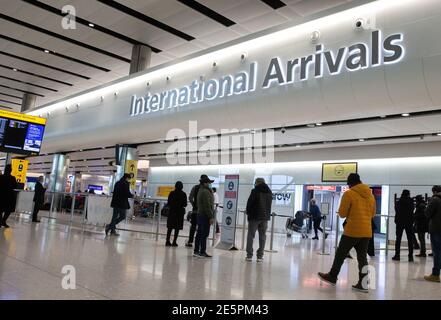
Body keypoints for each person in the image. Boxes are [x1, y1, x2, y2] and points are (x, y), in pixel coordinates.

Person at [318, 173, 376, 292]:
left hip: (352, 230)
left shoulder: (349, 193)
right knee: (362, 257)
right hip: (366, 231)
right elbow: (373, 214)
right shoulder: (370, 195)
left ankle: (333, 276)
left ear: (350, 184)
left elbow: (342, 213)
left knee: (341, 253)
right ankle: (363, 283)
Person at [245, 178, 272, 263]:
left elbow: (250, 203)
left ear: (258, 183)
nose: (254, 184)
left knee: (251, 236)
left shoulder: (255, 191)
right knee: (262, 236)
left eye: (255, 182)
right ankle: (260, 256)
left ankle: (249, 256)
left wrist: (248, 212)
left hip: (254, 217)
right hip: (264, 217)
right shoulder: (269, 192)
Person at [193, 175, 214, 258]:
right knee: (204, 234)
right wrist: (211, 217)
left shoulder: (201, 190)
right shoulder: (205, 192)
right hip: (204, 215)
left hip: (200, 214)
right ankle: (202, 252)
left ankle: (196, 251)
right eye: (209, 183)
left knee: (199, 233)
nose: (210, 184)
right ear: (205, 183)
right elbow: (207, 206)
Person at [424, 186, 441, 282]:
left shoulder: (435, 200)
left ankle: (435, 275)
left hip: (436, 229)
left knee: (437, 251)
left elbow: (427, 213)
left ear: (434, 191)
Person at [392, 189, 415, 261]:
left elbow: (396, 211)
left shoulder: (398, 202)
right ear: (408, 194)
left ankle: (397, 255)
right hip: (409, 222)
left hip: (400, 222)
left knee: (398, 239)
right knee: (410, 239)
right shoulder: (411, 202)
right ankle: (410, 256)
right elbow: (412, 211)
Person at [186, 175, 207, 247]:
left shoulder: (195, 187)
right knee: (202, 227)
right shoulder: (207, 188)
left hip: (195, 210)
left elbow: (190, 197)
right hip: (203, 211)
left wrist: (193, 204)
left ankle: (190, 241)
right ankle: (200, 243)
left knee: (193, 226)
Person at [165, 181, 187, 247]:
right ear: (182, 186)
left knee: (170, 227)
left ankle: (167, 241)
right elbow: (185, 204)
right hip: (179, 213)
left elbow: (168, 203)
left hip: (172, 212)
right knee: (177, 228)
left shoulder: (171, 193)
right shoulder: (183, 194)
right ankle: (174, 241)